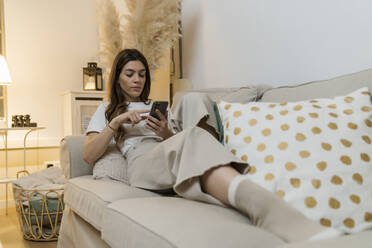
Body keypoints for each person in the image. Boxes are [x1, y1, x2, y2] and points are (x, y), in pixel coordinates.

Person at [83, 49, 341, 243]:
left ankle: (219, 167)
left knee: (193, 101)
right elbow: (88, 154)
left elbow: (175, 140)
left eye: (141, 74)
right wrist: (115, 123)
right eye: (129, 74)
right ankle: (266, 207)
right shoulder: (106, 110)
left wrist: (165, 132)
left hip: (170, 148)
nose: (137, 80)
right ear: (117, 78)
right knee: (190, 137)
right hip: (142, 163)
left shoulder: (156, 104)